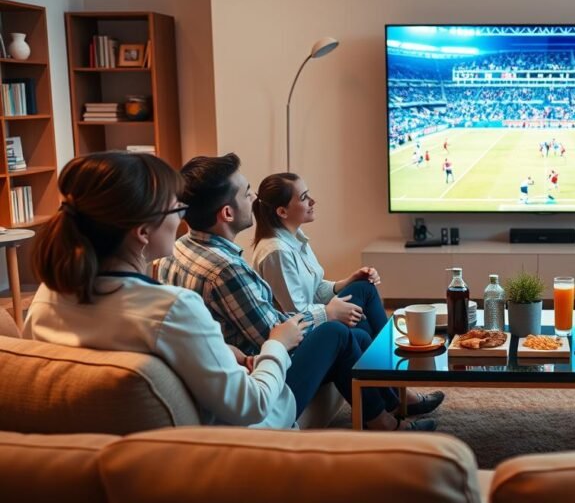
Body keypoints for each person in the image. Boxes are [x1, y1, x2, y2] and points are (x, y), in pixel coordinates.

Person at [23, 152, 305, 428]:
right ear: (144, 232)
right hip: (220, 446)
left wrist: (217, 349)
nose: (182, 218)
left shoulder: (48, 294)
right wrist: (276, 346)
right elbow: (251, 406)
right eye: (176, 209)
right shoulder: (173, 308)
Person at [159, 154, 435, 431]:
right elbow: (276, 335)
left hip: (235, 359)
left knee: (356, 326)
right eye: (246, 193)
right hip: (256, 373)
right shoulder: (227, 269)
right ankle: (386, 421)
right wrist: (326, 314)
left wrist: (335, 297)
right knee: (339, 332)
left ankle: (391, 406)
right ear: (227, 213)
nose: (253, 197)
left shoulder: (177, 249)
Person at [251, 172, 444, 415]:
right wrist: (330, 312)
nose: (312, 201)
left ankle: (397, 392)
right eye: (304, 197)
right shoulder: (276, 252)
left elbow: (316, 288)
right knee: (360, 329)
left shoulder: (294, 238)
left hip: (316, 319)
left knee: (364, 287)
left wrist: (348, 280)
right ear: (282, 211)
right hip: (300, 337)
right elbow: (295, 314)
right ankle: (397, 393)